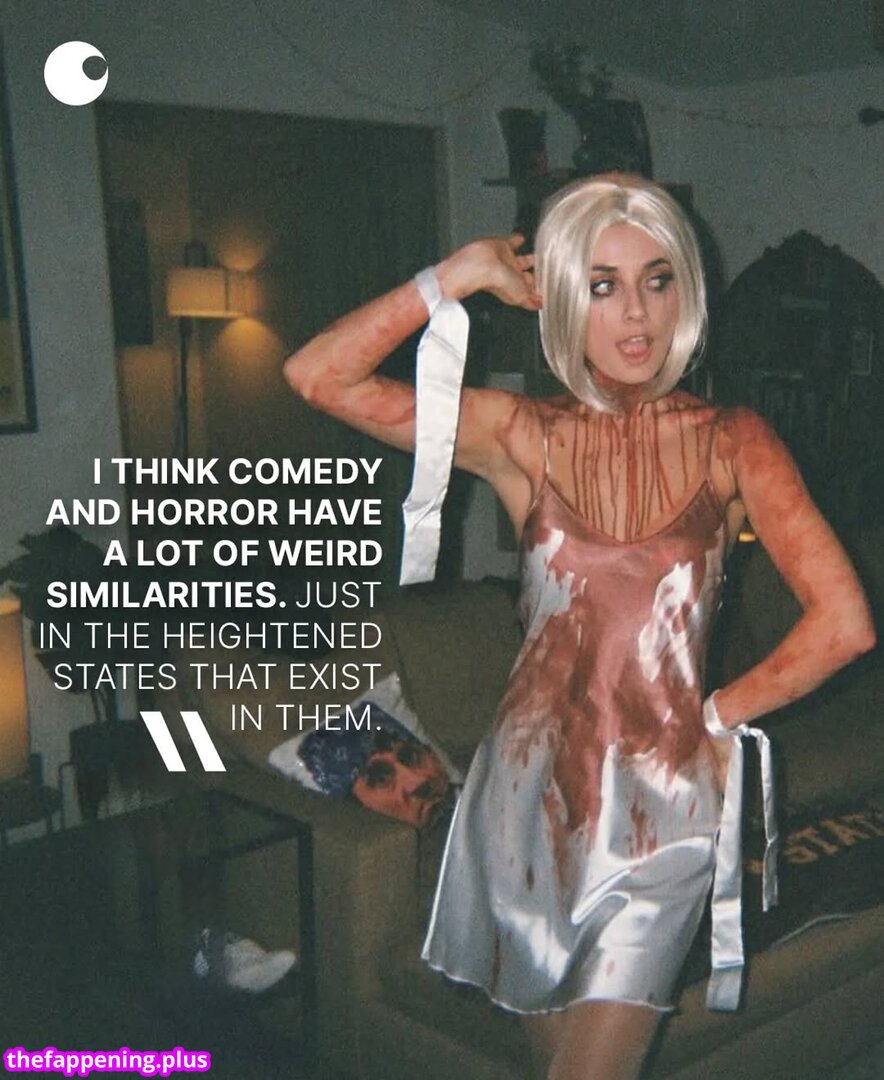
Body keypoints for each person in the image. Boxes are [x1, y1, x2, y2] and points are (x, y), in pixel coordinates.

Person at [283, 173, 875, 1080]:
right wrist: (455, 276)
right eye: (603, 286)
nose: (637, 313)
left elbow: (844, 623)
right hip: (525, 803)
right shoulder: (519, 432)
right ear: (563, 299)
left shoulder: (734, 439)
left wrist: (715, 718)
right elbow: (317, 375)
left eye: (657, 280)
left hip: (666, 807)